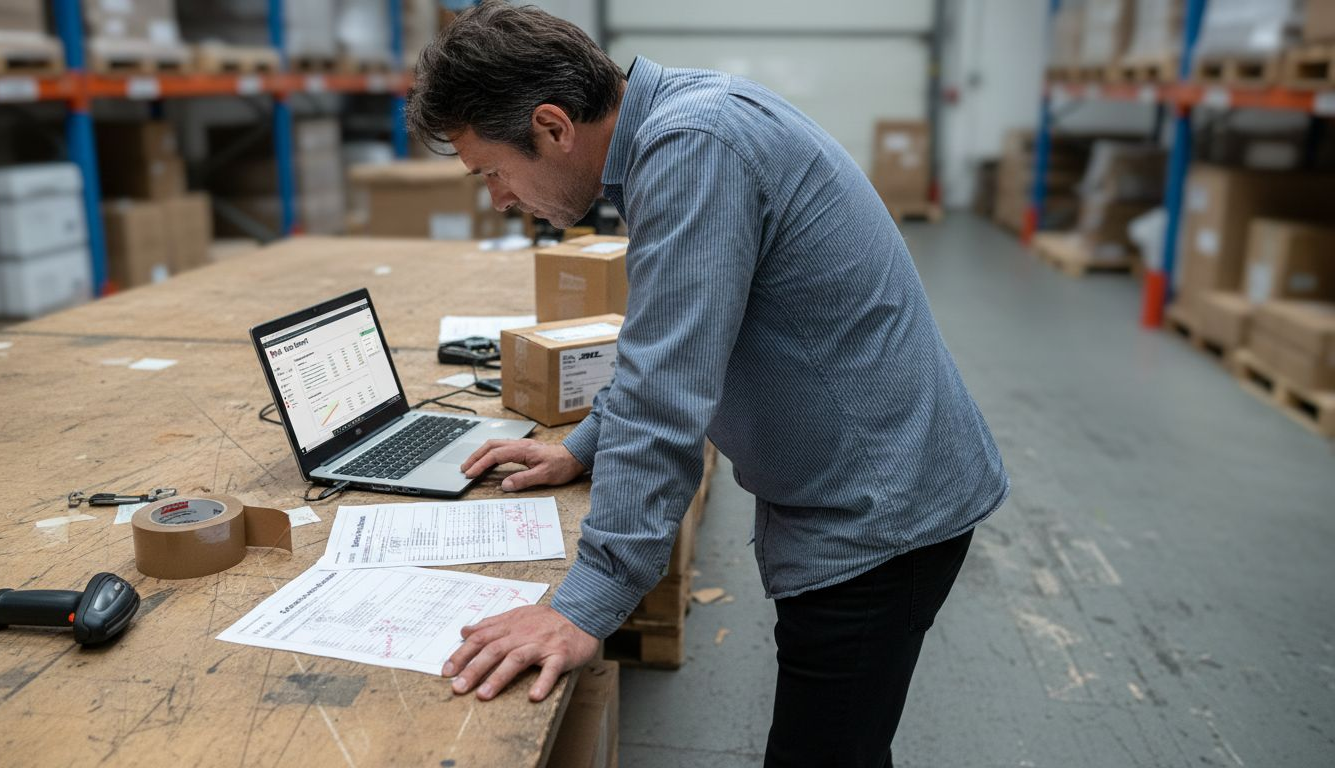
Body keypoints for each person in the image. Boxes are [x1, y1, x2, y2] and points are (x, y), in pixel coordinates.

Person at [406, 3, 1008, 764]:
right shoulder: (679, 122)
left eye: (491, 171)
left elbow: (665, 394)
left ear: (553, 127)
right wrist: (583, 447)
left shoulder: (693, 149)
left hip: (878, 513)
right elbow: (667, 343)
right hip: (871, 481)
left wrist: (585, 605)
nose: (498, 198)